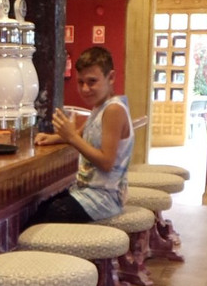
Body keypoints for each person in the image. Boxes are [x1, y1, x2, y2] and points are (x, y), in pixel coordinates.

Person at [27, 46, 133, 224]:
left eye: (92, 82)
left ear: (111, 77)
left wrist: (71, 138)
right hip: (89, 192)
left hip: (104, 199)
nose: (85, 88)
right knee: (42, 209)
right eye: (80, 82)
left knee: (45, 218)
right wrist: (54, 138)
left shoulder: (114, 110)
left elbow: (106, 162)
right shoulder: (100, 106)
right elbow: (81, 134)